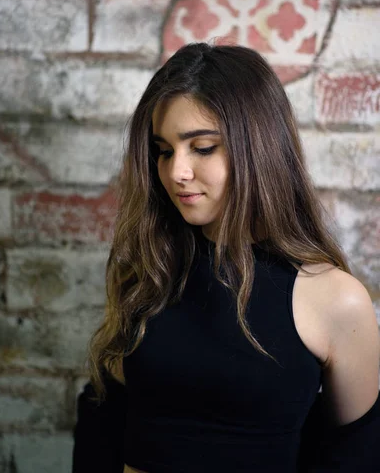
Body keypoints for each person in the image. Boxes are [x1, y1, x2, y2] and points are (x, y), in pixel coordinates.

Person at [72, 43, 380, 472]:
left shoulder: (335, 299)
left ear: (258, 148)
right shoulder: (149, 273)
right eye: (164, 150)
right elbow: (101, 427)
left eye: (202, 148)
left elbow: (356, 456)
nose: (176, 171)